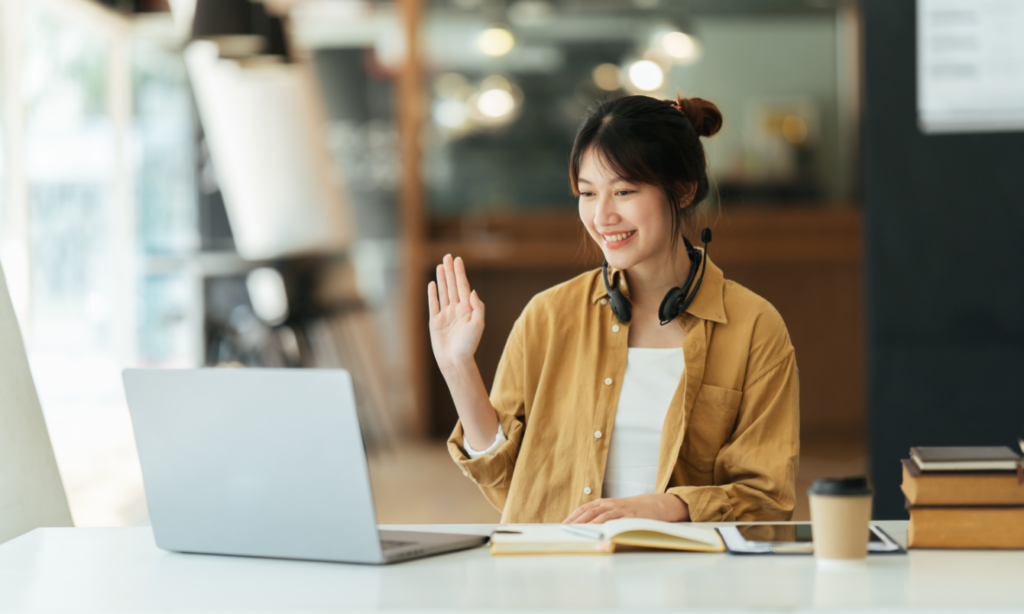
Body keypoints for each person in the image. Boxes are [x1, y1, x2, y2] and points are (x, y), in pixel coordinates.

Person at [428, 94, 799, 524]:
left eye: (623, 191)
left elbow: (767, 499)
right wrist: (458, 369)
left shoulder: (754, 327)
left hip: (688, 578)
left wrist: (666, 506)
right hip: (560, 576)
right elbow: (508, 484)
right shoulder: (547, 316)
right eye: (587, 193)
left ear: (682, 190)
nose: (602, 216)